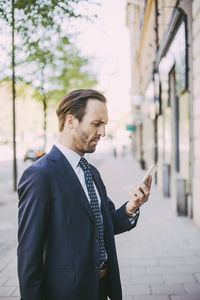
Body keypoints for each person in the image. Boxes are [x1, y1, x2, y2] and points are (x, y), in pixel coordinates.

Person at [17, 89, 152, 300]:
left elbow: (104, 224)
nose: (103, 132)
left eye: (104, 124)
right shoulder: (39, 176)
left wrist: (131, 208)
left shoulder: (91, 172)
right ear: (71, 122)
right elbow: (28, 255)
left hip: (101, 289)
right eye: (96, 124)